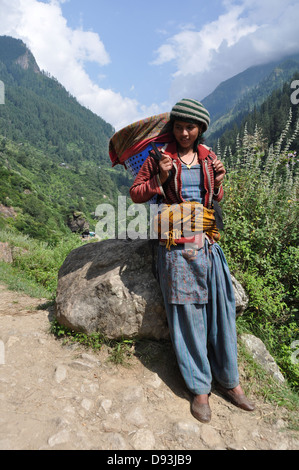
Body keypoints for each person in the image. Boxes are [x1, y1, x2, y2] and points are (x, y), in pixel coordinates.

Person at [130, 98, 255, 423]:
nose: (184, 132)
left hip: (207, 240)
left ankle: (230, 381)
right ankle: (200, 388)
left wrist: (220, 181)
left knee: (222, 306)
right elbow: (136, 193)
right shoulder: (160, 156)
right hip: (175, 244)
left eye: (191, 126)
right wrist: (158, 178)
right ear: (172, 127)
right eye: (179, 126)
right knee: (187, 310)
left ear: (200, 129)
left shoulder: (209, 157)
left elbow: (215, 197)